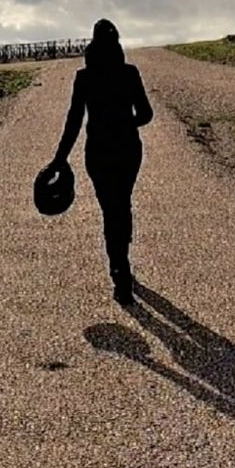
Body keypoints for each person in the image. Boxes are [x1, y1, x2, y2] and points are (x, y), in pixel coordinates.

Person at [51, 19, 155, 305]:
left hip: (98, 150)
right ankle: (123, 262)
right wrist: (125, 122)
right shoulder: (129, 73)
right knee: (123, 203)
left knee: (110, 207)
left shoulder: (85, 78)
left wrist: (59, 159)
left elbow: (74, 122)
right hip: (127, 147)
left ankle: (119, 270)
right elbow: (146, 114)